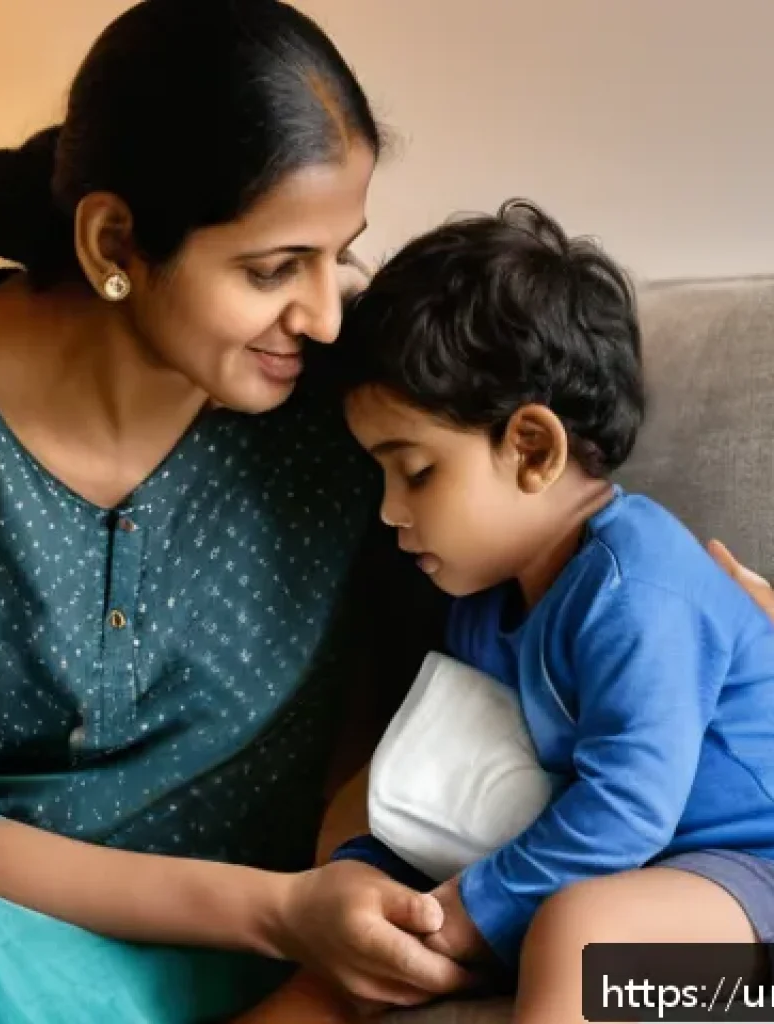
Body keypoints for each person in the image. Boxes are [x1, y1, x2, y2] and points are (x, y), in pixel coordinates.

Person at [0, 2, 467, 1022]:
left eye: (337, 253)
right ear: (113, 239)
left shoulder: (354, 406)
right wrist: (283, 913)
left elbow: (540, 549)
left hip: (216, 951)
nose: (322, 313)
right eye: (272, 269)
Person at [313, 199, 774, 1023]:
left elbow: (630, 806)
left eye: (414, 472)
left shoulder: (639, 590)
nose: (387, 511)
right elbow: (446, 773)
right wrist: (367, 878)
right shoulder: (482, 602)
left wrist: (469, 909)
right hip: (650, 886)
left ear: (533, 448)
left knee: (580, 932)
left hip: (753, 879)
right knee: (353, 922)